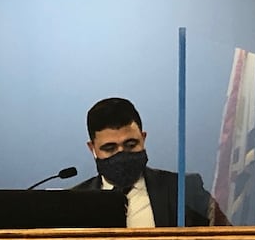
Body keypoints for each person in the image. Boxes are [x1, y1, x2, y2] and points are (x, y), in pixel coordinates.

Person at [72, 97, 230, 227]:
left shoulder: (184, 190)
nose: (121, 153)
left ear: (143, 138)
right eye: (110, 148)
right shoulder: (74, 202)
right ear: (92, 148)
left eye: (131, 145)